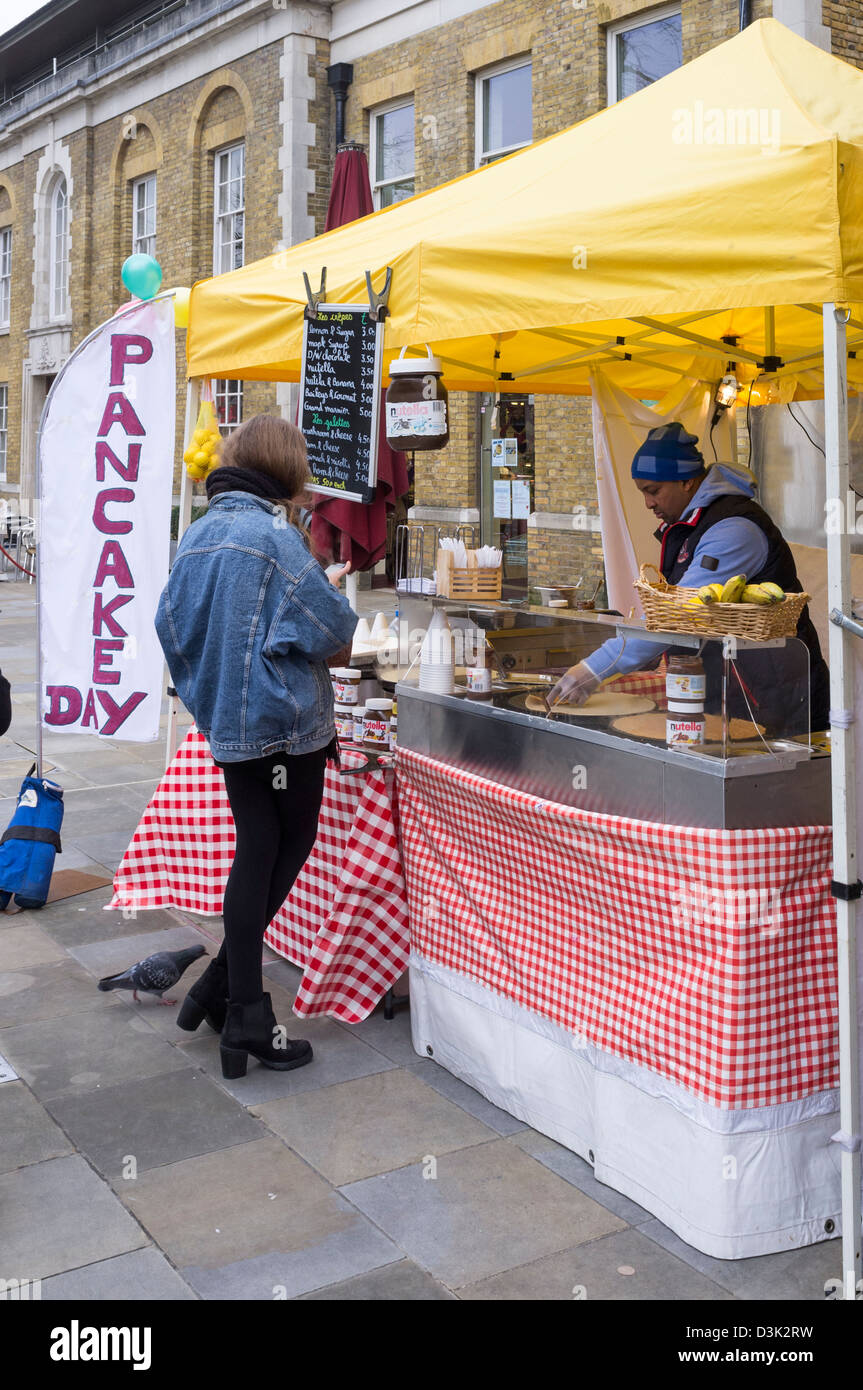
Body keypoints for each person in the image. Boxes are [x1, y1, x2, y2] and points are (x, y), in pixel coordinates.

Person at [154, 415, 357, 1080]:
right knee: (276, 850)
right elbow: (334, 633)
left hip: (233, 726)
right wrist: (323, 592)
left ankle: (225, 990)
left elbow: (169, 625)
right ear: (283, 469)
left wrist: (210, 690)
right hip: (282, 726)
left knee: (259, 850)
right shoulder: (274, 535)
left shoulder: (200, 532)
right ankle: (243, 1008)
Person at [549, 421, 830, 733]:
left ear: (687, 482)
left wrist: (592, 670)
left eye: (653, 491)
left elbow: (681, 616)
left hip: (775, 695)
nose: (648, 503)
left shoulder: (733, 529)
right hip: (731, 691)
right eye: (642, 492)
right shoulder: (693, 526)